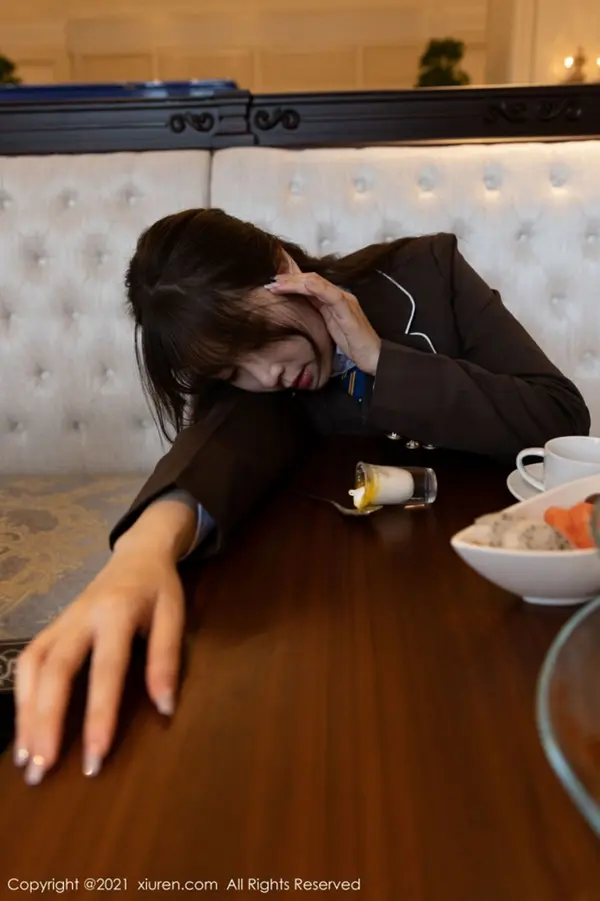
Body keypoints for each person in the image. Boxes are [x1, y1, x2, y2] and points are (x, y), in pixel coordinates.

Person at [13, 208, 590, 786]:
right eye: (230, 371)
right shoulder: (257, 389)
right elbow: (220, 444)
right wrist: (143, 550)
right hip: (343, 626)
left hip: (504, 592)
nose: (263, 376)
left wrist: (379, 360)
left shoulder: (430, 272)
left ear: (283, 271)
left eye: (256, 341)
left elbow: (558, 417)